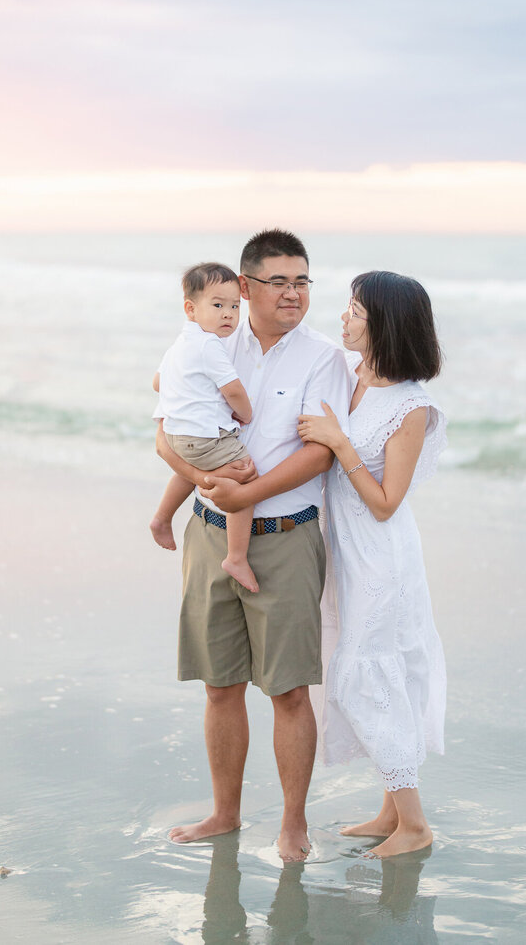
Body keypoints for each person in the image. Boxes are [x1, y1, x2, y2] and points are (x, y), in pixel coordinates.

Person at [155, 229, 351, 862]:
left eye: (302, 281)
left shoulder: (324, 357)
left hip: (286, 539)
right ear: (245, 286)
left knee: (290, 690)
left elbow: (323, 453)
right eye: (279, 281)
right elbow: (166, 431)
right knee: (219, 685)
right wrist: (210, 485)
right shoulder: (210, 340)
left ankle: (293, 823)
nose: (293, 293)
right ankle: (225, 813)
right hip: (210, 534)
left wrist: (249, 493)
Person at [297, 270, 447, 858]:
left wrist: (340, 444)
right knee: (366, 671)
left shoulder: (411, 406)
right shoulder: (348, 371)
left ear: (383, 322)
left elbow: (387, 504)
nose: (344, 318)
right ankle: (390, 811)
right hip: (345, 554)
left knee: (371, 678)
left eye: (355, 310)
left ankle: (415, 824)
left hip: (382, 559)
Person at [150, 262, 260, 594]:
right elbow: (234, 391)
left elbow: (157, 382)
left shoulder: (179, 345)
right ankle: (237, 556)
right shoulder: (210, 346)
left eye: (235, 306)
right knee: (243, 475)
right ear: (190, 308)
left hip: (177, 433)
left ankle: (162, 517)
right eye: (218, 305)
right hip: (204, 435)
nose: (228, 314)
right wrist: (246, 414)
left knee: (190, 469)